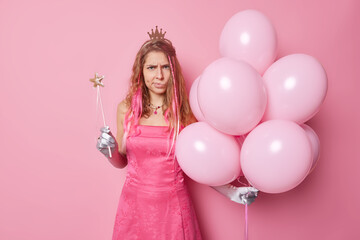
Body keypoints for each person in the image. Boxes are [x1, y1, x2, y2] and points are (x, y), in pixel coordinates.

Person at [96, 27, 257, 240]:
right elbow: (121, 160)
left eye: (165, 67)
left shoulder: (184, 113)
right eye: (151, 67)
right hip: (134, 206)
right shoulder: (126, 109)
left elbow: (201, 165)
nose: (159, 75)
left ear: (173, 71)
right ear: (141, 71)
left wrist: (232, 192)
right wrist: (109, 151)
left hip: (173, 209)